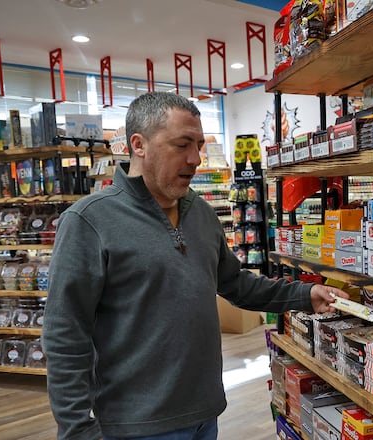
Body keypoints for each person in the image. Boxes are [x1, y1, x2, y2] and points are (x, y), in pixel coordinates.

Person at [42, 91, 348, 440]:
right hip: (136, 426)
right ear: (138, 145)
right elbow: (65, 335)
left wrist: (305, 294)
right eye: (182, 144)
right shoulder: (89, 221)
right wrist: (78, 430)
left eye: (199, 145)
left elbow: (237, 285)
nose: (195, 159)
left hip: (206, 415)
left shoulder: (200, 213)